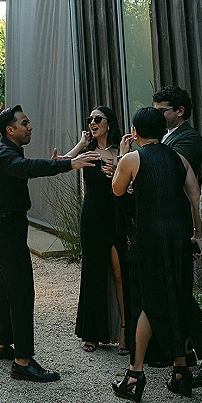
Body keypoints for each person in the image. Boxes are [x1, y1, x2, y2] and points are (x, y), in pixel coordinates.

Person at [0, 105, 99, 382]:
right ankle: (23, 360)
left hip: (6, 226)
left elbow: (42, 166)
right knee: (22, 292)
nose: (30, 127)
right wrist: (69, 163)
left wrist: (76, 150)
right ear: (10, 130)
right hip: (5, 228)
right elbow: (31, 168)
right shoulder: (4, 153)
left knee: (7, 289)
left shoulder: (10, 150)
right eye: (25, 123)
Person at [111, 107, 202, 402]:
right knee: (177, 295)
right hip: (178, 237)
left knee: (149, 301)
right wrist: (197, 235)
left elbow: (117, 191)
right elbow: (194, 197)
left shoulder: (132, 159)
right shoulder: (179, 158)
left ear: (136, 132)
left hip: (150, 237)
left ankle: (135, 374)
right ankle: (180, 370)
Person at [62, 106, 128, 353]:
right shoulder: (87, 154)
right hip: (92, 218)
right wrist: (81, 143)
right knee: (93, 272)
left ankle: (125, 331)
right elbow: (62, 162)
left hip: (116, 216)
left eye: (97, 119)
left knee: (121, 274)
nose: (92, 123)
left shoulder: (120, 152)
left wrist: (119, 163)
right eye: (90, 119)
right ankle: (92, 332)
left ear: (109, 123)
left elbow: (130, 184)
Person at [152, 86, 202, 387]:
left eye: (162, 111)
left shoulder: (188, 139)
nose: (158, 116)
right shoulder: (167, 137)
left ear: (180, 111)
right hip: (167, 223)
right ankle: (183, 353)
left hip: (181, 224)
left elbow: (172, 172)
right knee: (177, 292)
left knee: (183, 293)